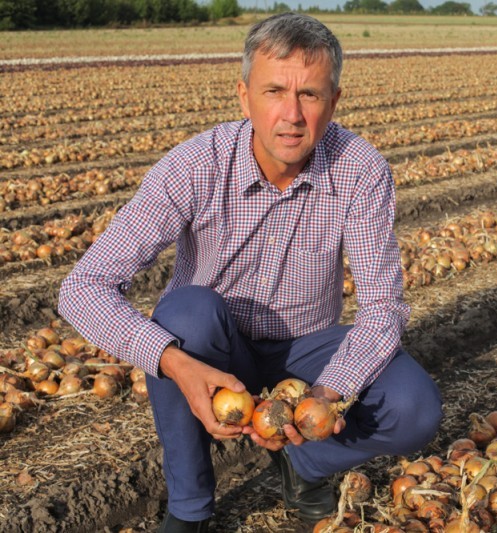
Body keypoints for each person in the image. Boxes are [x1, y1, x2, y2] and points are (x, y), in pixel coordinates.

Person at [58, 12, 442, 533]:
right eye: (274, 91)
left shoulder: (360, 169)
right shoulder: (195, 166)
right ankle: (189, 507)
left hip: (307, 349)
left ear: (334, 102)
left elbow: (383, 309)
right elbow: (83, 287)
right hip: (217, 346)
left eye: (310, 95)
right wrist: (175, 364)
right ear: (243, 97)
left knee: (415, 407)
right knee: (184, 315)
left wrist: (326, 395)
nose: (291, 114)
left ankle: (305, 464)